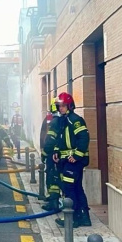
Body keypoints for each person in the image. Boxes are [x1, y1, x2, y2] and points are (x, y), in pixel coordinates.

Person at [48, 92, 91, 227]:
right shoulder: (63, 120)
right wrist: (56, 151)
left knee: (69, 188)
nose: (60, 108)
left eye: (63, 106)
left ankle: (72, 219)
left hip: (74, 161)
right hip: (67, 160)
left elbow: (84, 138)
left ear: (70, 106)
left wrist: (77, 155)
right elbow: (60, 139)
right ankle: (84, 217)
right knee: (77, 188)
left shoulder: (75, 120)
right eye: (59, 106)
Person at [40, 109, 63, 213]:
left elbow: (49, 140)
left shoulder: (54, 122)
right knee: (57, 177)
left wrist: (44, 153)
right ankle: (54, 199)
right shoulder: (63, 120)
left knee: (52, 177)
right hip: (60, 154)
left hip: (52, 155)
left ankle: (53, 203)